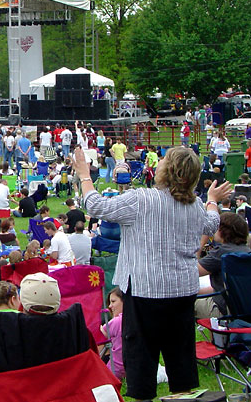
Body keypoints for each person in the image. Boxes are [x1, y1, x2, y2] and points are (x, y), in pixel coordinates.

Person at [74, 146, 232, 401]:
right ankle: (183, 395)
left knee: (140, 359)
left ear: (167, 170)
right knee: (181, 358)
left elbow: (97, 207)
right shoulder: (196, 205)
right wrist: (212, 199)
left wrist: (84, 175)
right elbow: (212, 223)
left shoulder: (142, 199)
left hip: (145, 291)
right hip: (182, 291)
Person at [196, 212, 249, 319]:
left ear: (222, 230)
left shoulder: (222, 252)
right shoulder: (246, 251)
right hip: (243, 310)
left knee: (183, 303)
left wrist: (202, 241)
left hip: (224, 310)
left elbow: (192, 271)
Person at [100, 287, 125, 380]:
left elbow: (99, 336)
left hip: (114, 371)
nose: (110, 306)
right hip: (134, 369)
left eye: (113, 301)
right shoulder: (136, 319)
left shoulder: (117, 321)